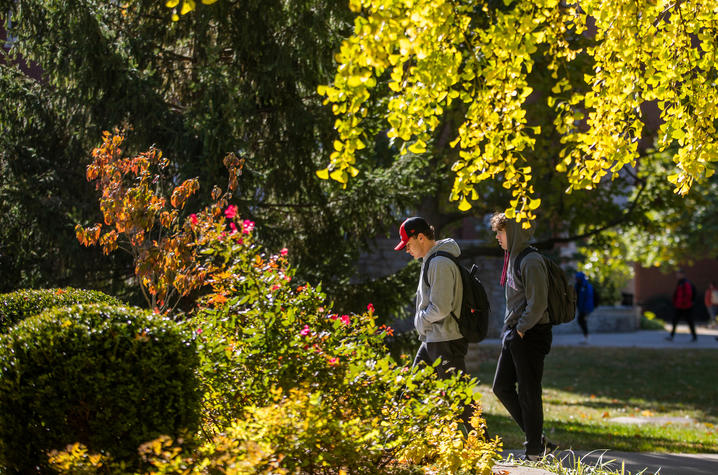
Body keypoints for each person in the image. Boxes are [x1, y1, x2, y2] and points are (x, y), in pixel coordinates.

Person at [394, 216, 474, 427]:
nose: (407, 250)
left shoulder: (439, 262)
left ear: (420, 237)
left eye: (408, 245)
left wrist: (420, 318)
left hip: (446, 340)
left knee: (461, 399)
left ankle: (484, 447)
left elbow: (441, 307)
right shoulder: (432, 259)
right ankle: (399, 440)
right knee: (411, 391)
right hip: (434, 338)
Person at [489, 212, 556, 461]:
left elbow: (537, 303)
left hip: (530, 333)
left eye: (501, 232)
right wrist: (511, 331)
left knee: (529, 391)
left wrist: (520, 329)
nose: (497, 236)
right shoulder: (513, 257)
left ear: (514, 232)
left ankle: (534, 451)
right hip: (515, 332)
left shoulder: (531, 260)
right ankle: (538, 440)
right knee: (502, 387)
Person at [666, 270, 697, 342]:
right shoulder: (680, 283)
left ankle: (694, 337)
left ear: (682, 274)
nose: (677, 276)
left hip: (685, 306)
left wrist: (684, 302)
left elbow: (688, 294)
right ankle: (671, 336)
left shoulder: (685, 283)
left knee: (690, 321)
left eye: (678, 274)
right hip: (679, 306)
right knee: (675, 321)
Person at [575, 272, 595, 344]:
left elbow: (589, 298)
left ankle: (586, 336)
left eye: (577, 278)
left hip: (585, 308)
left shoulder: (586, 286)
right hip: (581, 308)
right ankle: (586, 336)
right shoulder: (577, 285)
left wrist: (586, 310)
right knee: (582, 321)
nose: (576, 280)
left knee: (581, 321)